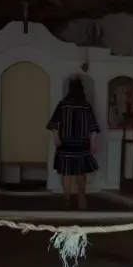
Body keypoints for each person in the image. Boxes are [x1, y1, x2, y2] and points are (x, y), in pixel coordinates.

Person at [46, 78, 100, 209]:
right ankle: (81, 196)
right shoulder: (86, 106)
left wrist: (56, 139)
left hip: (65, 144)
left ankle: (67, 199)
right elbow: (93, 127)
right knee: (81, 172)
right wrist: (93, 144)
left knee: (66, 173)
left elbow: (54, 124)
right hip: (82, 145)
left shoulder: (63, 105)